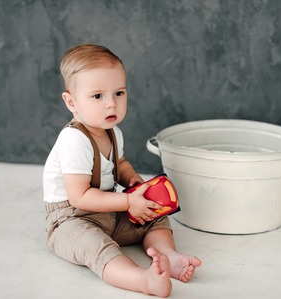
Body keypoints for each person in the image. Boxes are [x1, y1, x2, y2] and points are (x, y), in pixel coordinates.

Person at [43, 44, 201, 297]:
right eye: (98, 96)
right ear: (71, 102)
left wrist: (137, 187)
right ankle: (142, 279)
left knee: (154, 215)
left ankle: (168, 256)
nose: (111, 105)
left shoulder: (113, 132)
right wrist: (127, 201)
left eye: (118, 93)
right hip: (71, 219)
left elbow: (121, 164)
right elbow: (79, 197)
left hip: (109, 209)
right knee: (95, 245)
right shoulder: (74, 141)